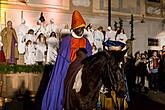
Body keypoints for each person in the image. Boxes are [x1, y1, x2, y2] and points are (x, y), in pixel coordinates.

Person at [42, 10, 92, 110]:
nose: (81, 31)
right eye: (79, 29)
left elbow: (89, 55)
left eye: (82, 28)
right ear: (74, 29)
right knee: (61, 81)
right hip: (68, 66)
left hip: (82, 67)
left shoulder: (86, 41)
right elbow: (63, 57)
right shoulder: (67, 40)